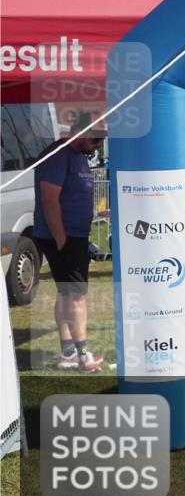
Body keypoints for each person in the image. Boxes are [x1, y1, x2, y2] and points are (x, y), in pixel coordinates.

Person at [34, 113, 106, 372]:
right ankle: (82, 354)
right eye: (96, 139)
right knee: (77, 295)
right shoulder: (59, 154)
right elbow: (49, 200)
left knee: (66, 292)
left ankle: (68, 354)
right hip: (63, 237)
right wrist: (62, 239)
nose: (98, 145)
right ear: (81, 131)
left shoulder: (77, 156)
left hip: (74, 236)